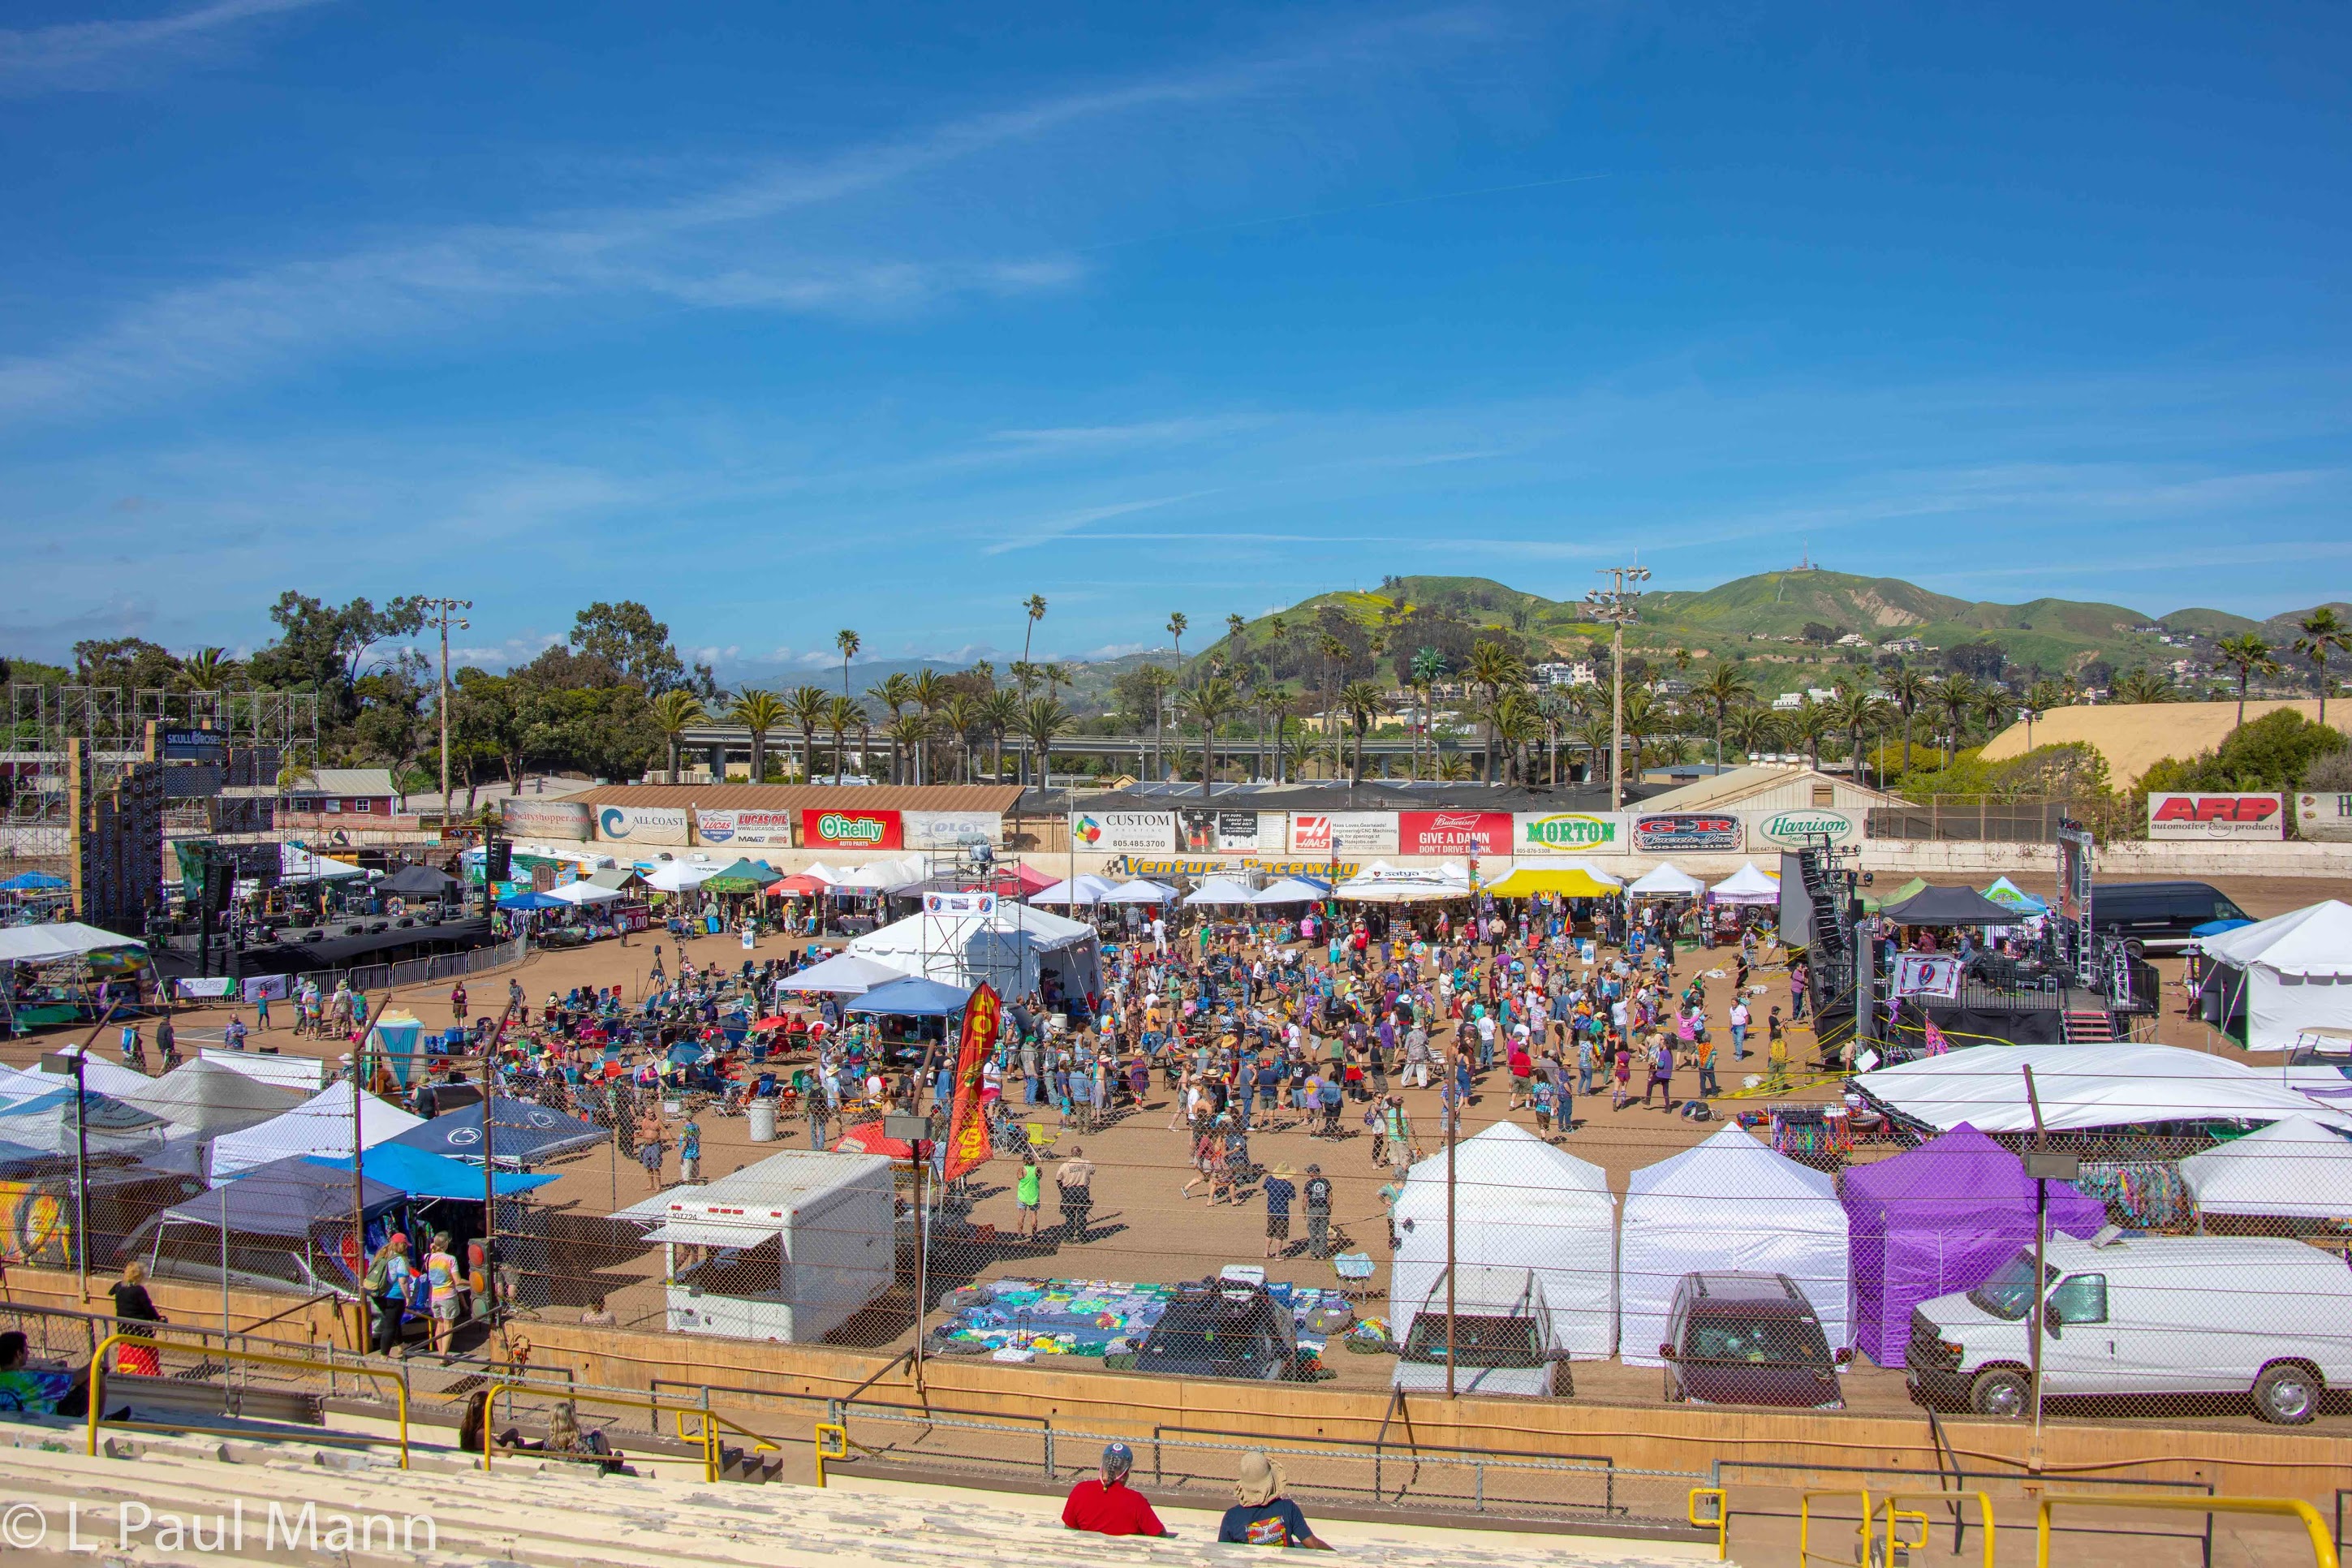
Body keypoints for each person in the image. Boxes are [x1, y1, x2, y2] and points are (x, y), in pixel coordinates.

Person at [1218, 1450, 1332, 1549]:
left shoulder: (1231, 1517)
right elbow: (1313, 1544)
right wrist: (1340, 1557)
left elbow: (1222, 1554)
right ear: (1271, 1481)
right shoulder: (1287, 1508)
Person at [1062, 1442, 1170, 1537]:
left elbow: (1069, 1529)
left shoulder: (1080, 1491)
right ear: (1126, 1473)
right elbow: (1160, 1534)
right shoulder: (1136, 1501)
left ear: (1102, 1467)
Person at [109, 1260, 166, 1376]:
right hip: (140, 1331)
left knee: (126, 1353)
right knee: (148, 1355)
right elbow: (148, 1308)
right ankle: (149, 1373)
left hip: (124, 1330)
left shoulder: (119, 1286)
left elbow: (111, 1292)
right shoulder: (138, 1291)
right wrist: (158, 1319)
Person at [364, 1233, 411, 1356]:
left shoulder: (384, 1254)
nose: (407, 1248)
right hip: (395, 1296)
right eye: (405, 1245)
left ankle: (401, 1345)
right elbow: (403, 1282)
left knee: (394, 1321)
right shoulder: (400, 1260)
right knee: (390, 1326)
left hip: (380, 1295)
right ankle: (384, 1355)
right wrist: (408, 1297)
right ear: (402, 1245)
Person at [424, 1231, 462, 1354]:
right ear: (446, 1244)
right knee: (448, 1325)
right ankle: (444, 1355)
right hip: (448, 1295)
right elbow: (458, 1280)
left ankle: (441, 1353)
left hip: (434, 1295)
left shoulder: (427, 1257)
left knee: (439, 1324)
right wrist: (472, 1283)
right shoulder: (451, 1259)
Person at [1055, 1145, 1095, 1242]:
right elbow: (1093, 1171)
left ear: (1071, 1154)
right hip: (1082, 1190)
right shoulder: (1087, 1163)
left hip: (1069, 1190)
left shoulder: (1065, 1165)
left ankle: (1069, 1237)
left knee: (1070, 1214)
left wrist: (1062, 1190)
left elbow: (1058, 1178)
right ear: (1081, 1153)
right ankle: (1081, 1236)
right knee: (1082, 1213)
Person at [1260, 1163, 1295, 1259]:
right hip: (1282, 1212)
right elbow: (1293, 1197)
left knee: (1269, 1232)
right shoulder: (1287, 1185)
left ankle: (1266, 1252)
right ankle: (1277, 1255)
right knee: (1280, 1235)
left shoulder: (1269, 1180)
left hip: (1271, 1209)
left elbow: (1264, 1187)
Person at [1302, 1164, 1333, 1260]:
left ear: (1312, 1173)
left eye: (1308, 1172)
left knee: (1313, 1232)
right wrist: (1329, 1207)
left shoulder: (1309, 1184)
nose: (1308, 1174)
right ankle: (1322, 1254)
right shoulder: (1326, 1182)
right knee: (1323, 1232)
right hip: (1324, 1208)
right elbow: (1330, 1197)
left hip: (1313, 1209)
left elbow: (1305, 1199)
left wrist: (1303, 1211)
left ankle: (1313, 1254)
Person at [1015, 1152, 1043, 1238]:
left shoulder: (1021, 1170)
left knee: (1021, 1215)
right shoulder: (1037, 1169)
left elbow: (1019, 1178)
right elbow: (1039, 1177)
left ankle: (1020, 1234)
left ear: (1024, 1161)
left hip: (1022, 1195)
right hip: (1033, 1196)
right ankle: (1034, 1235)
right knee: (1033, 1215)